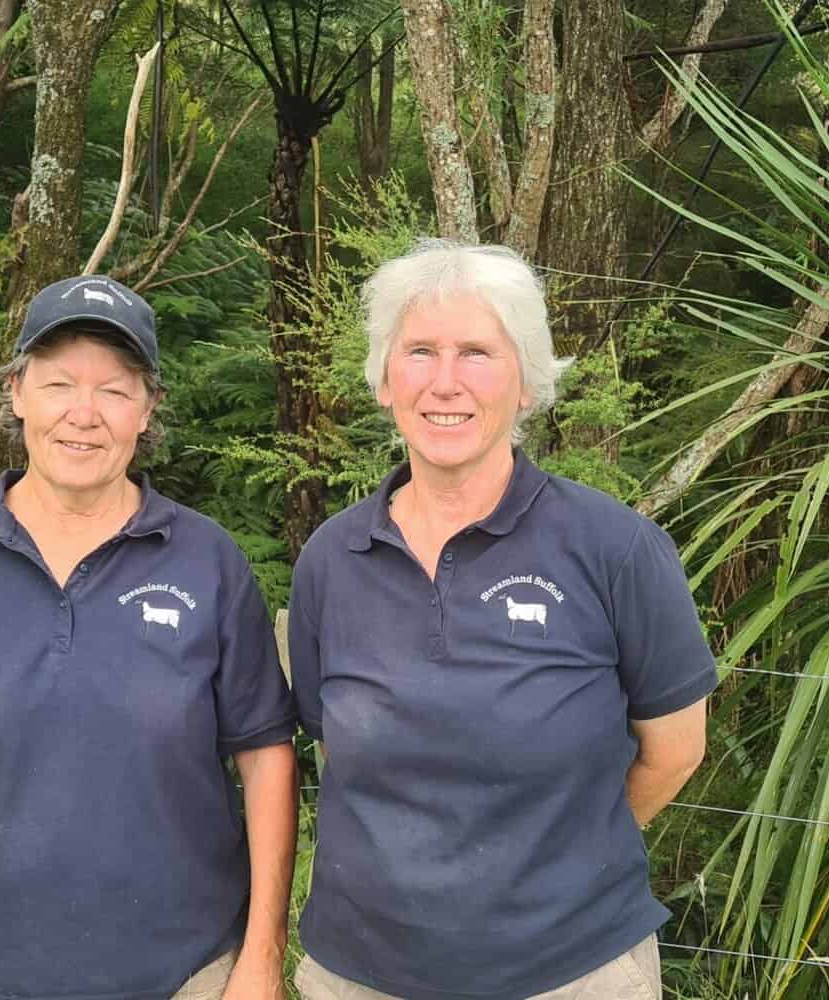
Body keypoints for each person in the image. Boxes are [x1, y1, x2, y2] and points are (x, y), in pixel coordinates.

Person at [0, 275, 298, 1000]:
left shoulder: (208, 562)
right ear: (17, 392)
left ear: (148, 410)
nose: (84, 415)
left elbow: (267, 760)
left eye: (115, 390)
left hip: (183, 978)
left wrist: (261, 960)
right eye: (58, 384)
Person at [287, 240, 717, 1000]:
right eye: (419, 351)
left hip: (573, 974)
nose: (444, 382)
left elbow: (676, 750)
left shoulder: (615, 549)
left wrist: (561, 866)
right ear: (385, 379)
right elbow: (333, 745)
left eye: (478, 352)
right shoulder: (333, 558)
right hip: (359, 976)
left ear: (527, 383)